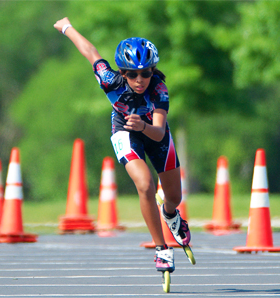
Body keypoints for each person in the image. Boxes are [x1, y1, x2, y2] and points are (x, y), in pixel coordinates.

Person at [54, 17, 191, 273]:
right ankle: (161, 249)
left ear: (153, 71)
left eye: (146, 73)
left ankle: (171, 214)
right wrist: (66, 27)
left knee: (174, 196)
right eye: (132, 74)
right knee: (145, 185)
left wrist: (144, 126)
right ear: (122, 73)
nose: (140, 79)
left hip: (153, 132)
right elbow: (90, 52)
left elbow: (160, 133)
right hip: (125, 130)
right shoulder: (109, 81)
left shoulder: (159, 89)